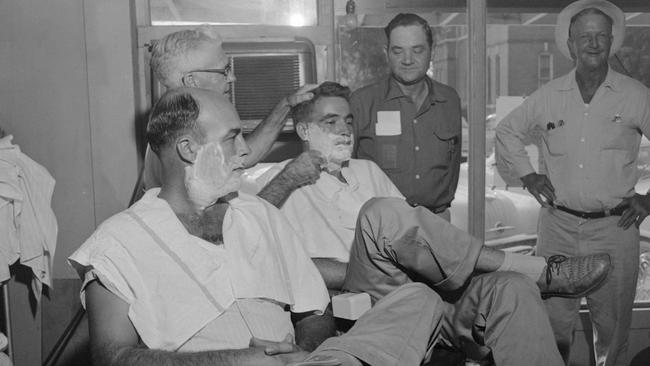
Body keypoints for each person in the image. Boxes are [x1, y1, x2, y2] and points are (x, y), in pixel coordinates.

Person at [495, 1, 650, 365]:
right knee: (551, 328)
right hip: (558, 229)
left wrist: (648, 198)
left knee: (613, 336)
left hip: (615, 229)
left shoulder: (635, 95)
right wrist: (528, 174)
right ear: (571, 42)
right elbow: (507, 131)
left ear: (612, 41)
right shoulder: (549, 96)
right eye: (585, 37)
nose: (593, 44)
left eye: (601, 36)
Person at [143, 27, 318, 189]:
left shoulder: (187, 126)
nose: (232, 77)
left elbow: (243, 157)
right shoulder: (180, 144)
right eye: (224, 71)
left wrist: (286, 105)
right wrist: (288, 178)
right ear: (191, 81)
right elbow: (225, 219)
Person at [349, 13, 461, 220]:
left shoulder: (449, 99)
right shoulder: (362, 103)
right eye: (398, 51)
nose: (407, 60)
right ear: (387, 53)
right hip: (382, 225)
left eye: (417, 50)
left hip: (438, 221)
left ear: (432, 52)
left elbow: (453, 165)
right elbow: (345, 170)